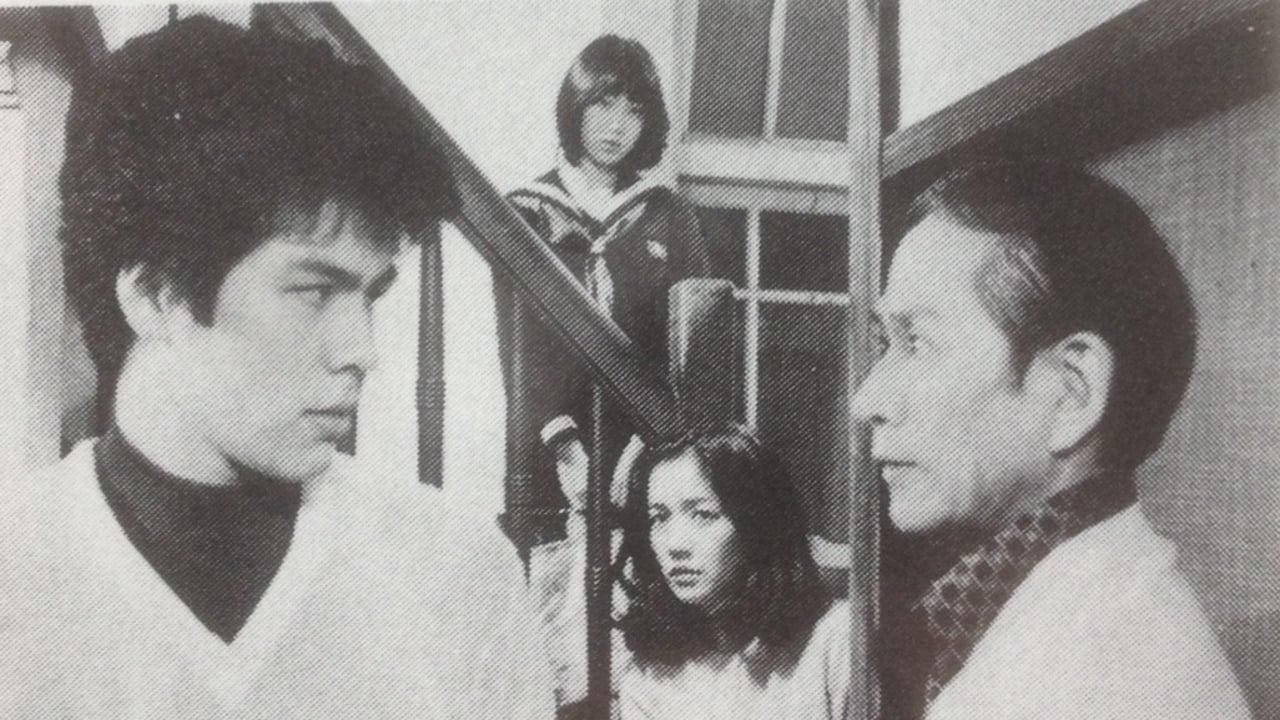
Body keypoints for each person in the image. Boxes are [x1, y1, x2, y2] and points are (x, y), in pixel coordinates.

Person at [0, 17, 553, 719]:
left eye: (371, 295)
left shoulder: (457, 574)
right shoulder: (17, 572)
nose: (362, 350)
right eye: (314, 292)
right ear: (156, 296)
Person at [852, 162, 1251, 720]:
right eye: (885, 344)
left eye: (917, 343)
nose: (866, 400)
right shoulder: (1072, 614)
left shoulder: (1113, 674)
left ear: (1071, 391)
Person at [494, 35, 710, 525]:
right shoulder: (526, 213)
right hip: (547, 443)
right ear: (577, 106)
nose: (617, 126)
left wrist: (647, 441)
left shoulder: (669, 215)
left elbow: (687, 349)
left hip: (646, 443)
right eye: (603, 104)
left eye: (635, 111)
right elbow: (517, 344)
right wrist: (566, 449)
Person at [613, 426, 850, 719]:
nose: (675, 544)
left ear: (755, 522)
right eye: (659, 518)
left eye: (703, 515)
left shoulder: (836, 638)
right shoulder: (649, 677)